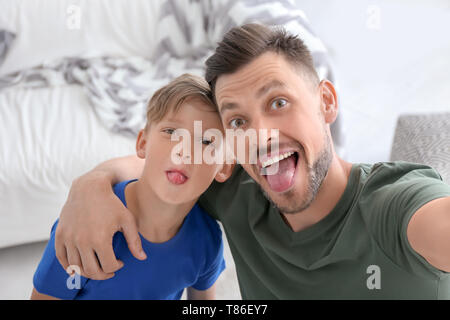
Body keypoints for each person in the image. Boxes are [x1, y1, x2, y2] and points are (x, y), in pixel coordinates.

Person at [53, 24, 450, 299]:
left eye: (278, 102)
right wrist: (91, 184)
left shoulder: (395, 207)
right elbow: (163, 163)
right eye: (238, 120)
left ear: (326, 102)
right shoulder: (235, 191)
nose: (258, 136)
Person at [31, 74, 234, 300]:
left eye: (206, 142)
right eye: (172, 132)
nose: (184, 151)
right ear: (143, 143)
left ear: (224, 167)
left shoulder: (207, 240)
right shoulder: (86, 227)